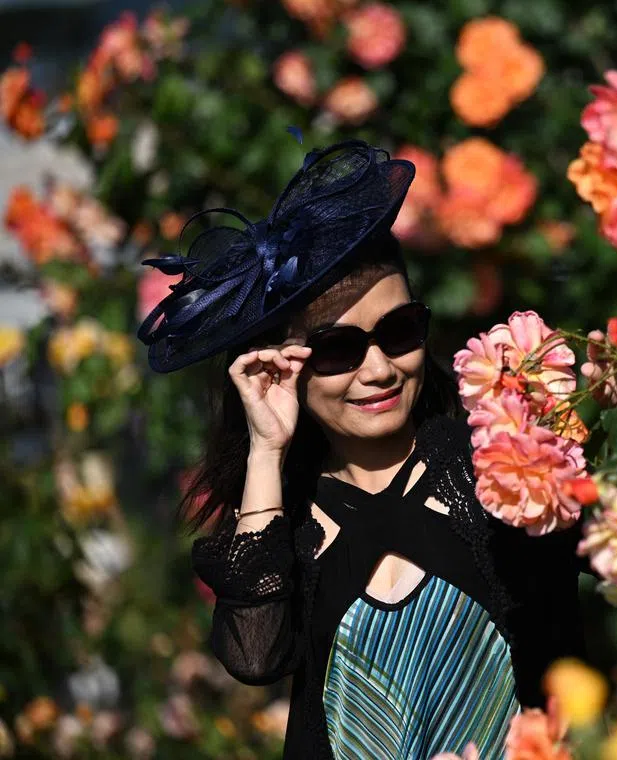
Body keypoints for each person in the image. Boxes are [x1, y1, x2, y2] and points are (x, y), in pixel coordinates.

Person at [138, 140, 585, 759]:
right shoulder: (289, 519)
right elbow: (255, 655)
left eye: (399, 332)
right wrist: (266, 451)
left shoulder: (492, 461)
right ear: (283, 366)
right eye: (338, 349)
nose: (378, 369)